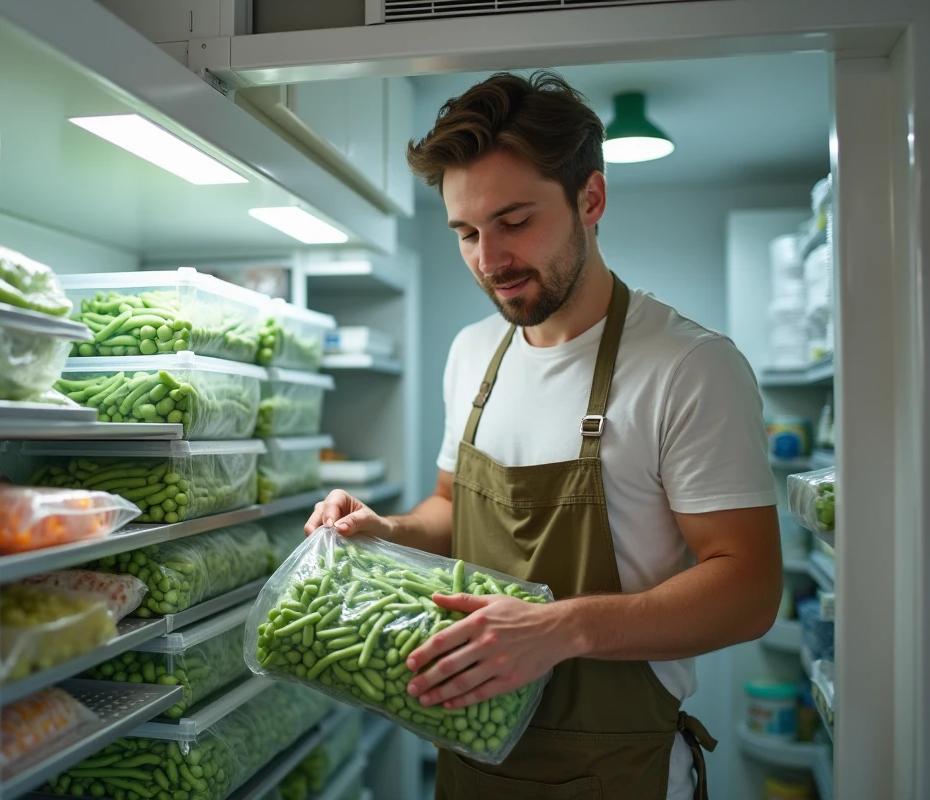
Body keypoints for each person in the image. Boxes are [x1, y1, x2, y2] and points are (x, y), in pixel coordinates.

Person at [305, 70, 783, 800]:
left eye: (515, 221)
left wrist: (560, 629)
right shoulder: (473, 353)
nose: (489, 261)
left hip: (618, 774)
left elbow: (749, 589)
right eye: (466, 232)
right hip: (470, 759)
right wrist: (388, 530)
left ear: (590, 199)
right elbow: (449, 506)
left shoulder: (689, 366)